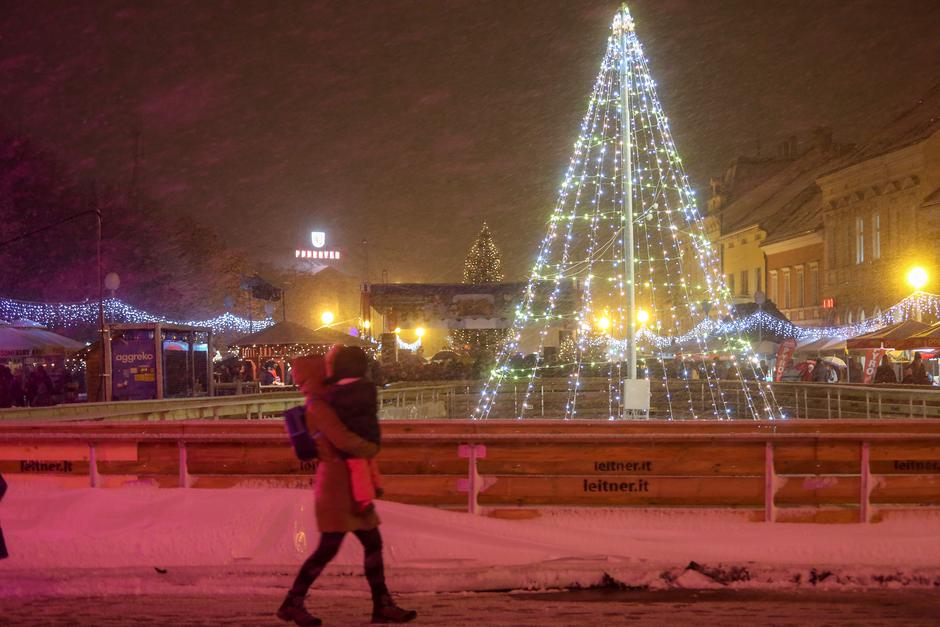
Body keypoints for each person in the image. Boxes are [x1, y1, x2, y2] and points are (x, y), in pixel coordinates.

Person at [278, 355, 416, 627]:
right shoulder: (318, 406)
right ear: (318, 374)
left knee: (369, 543)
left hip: (349, 483)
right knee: (329, 548)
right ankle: (293, 603)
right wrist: (371, 448)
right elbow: (342, 438)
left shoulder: (327, 402)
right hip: (337, 487)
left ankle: (381, 604)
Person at [322, 345, 383, 515]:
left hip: (352, 437)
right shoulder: (368, 388)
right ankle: (376, 485)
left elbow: (329, 392)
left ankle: (363, 501)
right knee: (369, 460)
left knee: (358, 466)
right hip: (370, 433)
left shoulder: (336, 392)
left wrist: (331, 361)